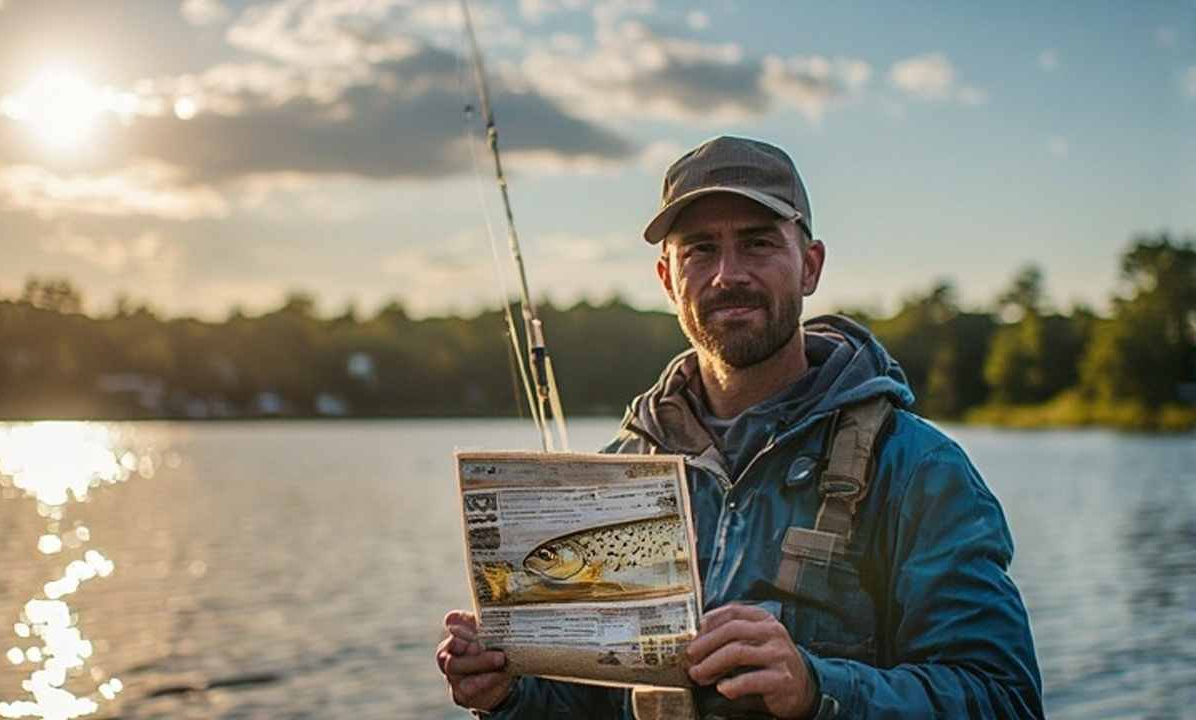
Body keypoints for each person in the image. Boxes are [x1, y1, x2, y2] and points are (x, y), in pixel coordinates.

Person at [435, 136, 1043, 719]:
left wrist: (816, 689)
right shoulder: (618, 470)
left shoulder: (918, 468)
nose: (728, 274)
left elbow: (1004, 699)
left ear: (809, 266)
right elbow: (591, 706)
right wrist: (508, 694)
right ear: (668, 280)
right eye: (700, 249)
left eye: (757, 244)